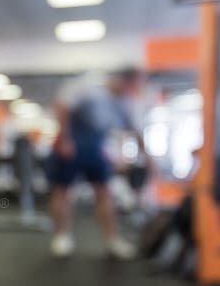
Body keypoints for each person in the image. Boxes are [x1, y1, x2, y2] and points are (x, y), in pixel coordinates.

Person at [47, 67, 147, 259]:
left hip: (96, 148)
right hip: (72, 146)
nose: (132, 90)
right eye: (132, 85)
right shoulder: (88, 87)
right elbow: (61, 106)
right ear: (123, 79)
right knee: (63, 190)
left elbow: (134, 129)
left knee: (104, 192)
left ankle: (112, 241)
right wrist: (66, 139)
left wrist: (147, 158)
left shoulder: (122, 101)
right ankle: (61, 238)